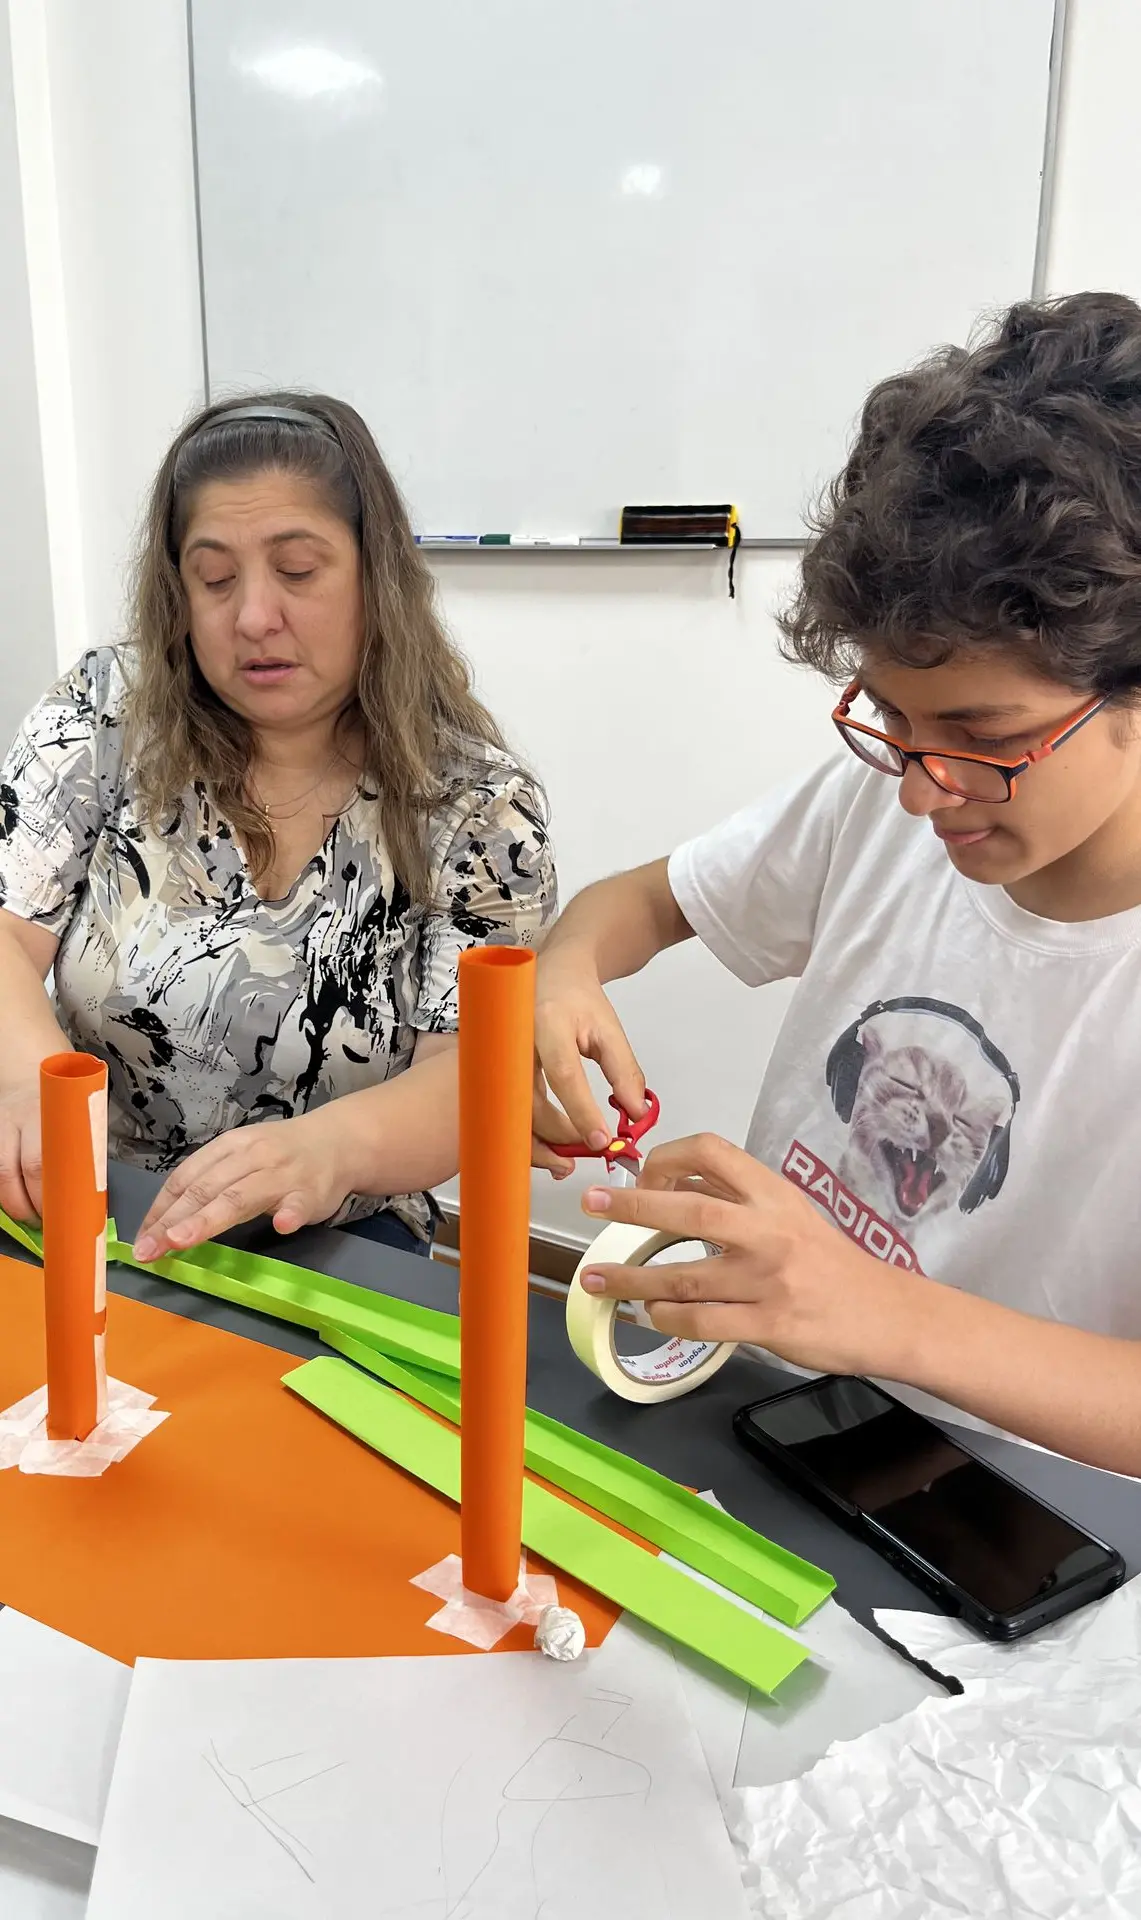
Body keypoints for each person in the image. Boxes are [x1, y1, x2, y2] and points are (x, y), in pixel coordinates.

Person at [533, 291, 1141, 1476]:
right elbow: (635, 905)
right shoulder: (889, 803)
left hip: (1021, 1513)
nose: (920, 791)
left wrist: (873, 1312)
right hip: (778, 1413)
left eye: (983, 736)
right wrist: (563, 975)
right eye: (892, 720)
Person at [0, 394, 553, 1262]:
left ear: (376, 577)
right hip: (96, 1196)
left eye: (297, 570)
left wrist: (330, 1151)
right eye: (215, 580)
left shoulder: (474, 806)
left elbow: (473, 1077)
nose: (254, 616)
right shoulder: (106, 712)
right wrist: (27, 1074)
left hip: (329, 1233)